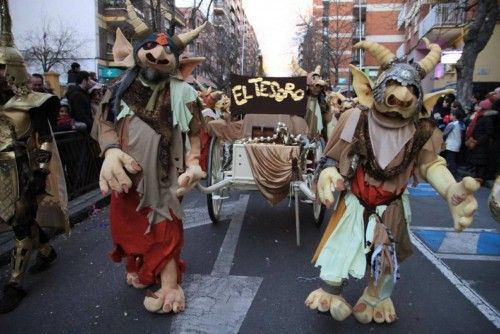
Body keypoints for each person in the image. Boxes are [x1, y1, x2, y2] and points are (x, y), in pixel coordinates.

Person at [306, 39, 478, 325]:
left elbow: (431, 164)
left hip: (392, 206)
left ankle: (376, 296)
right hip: (355, 201)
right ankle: (330, 291)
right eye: (396, 86)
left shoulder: (420, 131)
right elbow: (332, 157)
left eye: (412, 90)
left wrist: (451, 191)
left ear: (421, 100)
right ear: (369, 89)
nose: (402, 96)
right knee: (340, 245)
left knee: (384, 255)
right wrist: (327, 173)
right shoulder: (354, 118)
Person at [94, 0, 206, 314]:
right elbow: (103, 123)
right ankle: (139, 264)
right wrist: (111, 150)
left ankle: (170, 285)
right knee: (126, 223)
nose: (158, 56)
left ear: (175, 60)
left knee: (165, 226)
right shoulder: (119, 88)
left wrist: (195, 163)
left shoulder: (184, 93)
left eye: (167, 53)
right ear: (139, 52)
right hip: (127, 174)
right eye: (152, 50)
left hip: (165, 175)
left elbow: (196, 132)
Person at [0, 0, 68, 313]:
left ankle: (14, 283)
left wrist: (40, 173)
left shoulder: (35, 103)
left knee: (20, 223)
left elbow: (43, 140)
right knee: (21, 222)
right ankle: (46, 253)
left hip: (23, 173)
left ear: (11, 70)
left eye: (2, 68)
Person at [464, 99, 496, 182]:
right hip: (477, 143)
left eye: (479, 106)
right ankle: (477, 179)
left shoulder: (486, 118)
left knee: (480, 164)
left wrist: (477, 141)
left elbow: (488, 132)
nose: (477, 107)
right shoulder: (479, 116)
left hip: (481, 144)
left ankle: (479, 180)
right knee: (477, 163)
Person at [442, 102, 466, 178]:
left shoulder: (452, 124)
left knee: (450, 161)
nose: (450, 116)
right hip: (457, 144)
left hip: (450, 144)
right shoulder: (461, 124)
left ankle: (452, 175)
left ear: (454, 116)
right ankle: (452, 174)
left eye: (451, 114)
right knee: (453, 160)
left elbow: (444, 134)